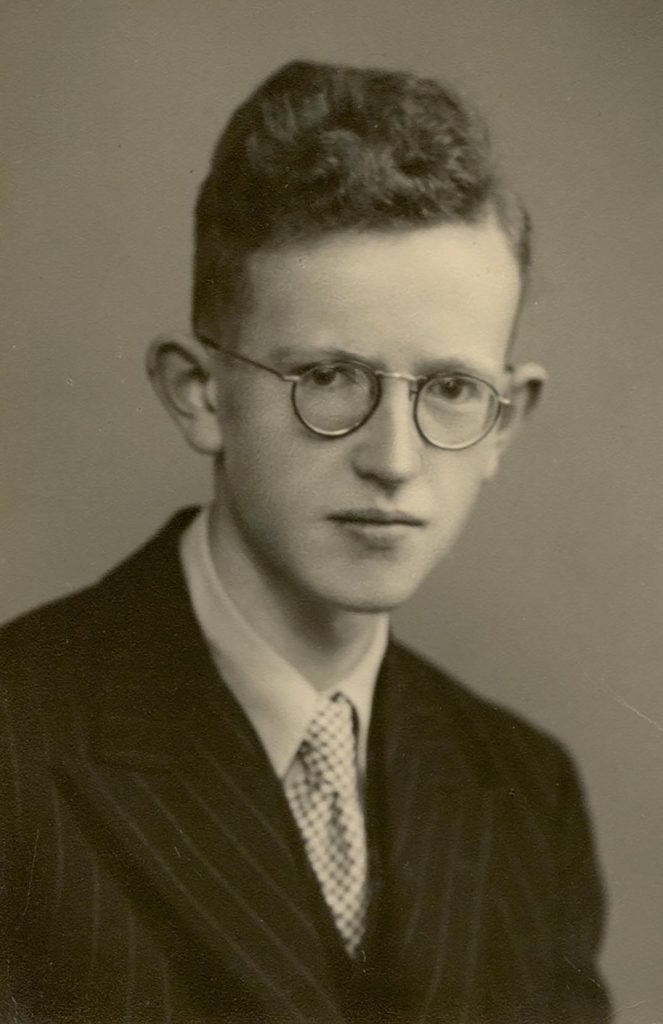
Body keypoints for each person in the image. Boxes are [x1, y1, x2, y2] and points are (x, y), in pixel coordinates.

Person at [0, 60, 610, 1024]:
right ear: (199, 393)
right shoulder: (17, 746)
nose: (394, 461)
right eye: (328, 378)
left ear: (506, 421)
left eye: (451, 390)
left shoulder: (527, 792)